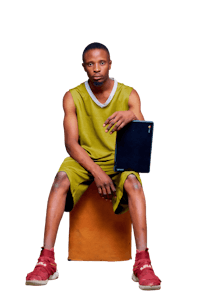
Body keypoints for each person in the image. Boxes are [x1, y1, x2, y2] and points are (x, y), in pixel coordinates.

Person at [25, 42, 162, 291]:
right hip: (84, 158)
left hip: (118, 159)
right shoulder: (73, 95)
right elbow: (70, 143)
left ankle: (143, 263)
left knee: (133, 183)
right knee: (59, 180)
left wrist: (132, 115)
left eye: (101, 63)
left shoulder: (129, 93)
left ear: (110, 64)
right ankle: (46, 259)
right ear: (83, 67)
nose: (96, 69)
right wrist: (97, 173)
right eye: (90, 64)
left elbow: (143, 132)